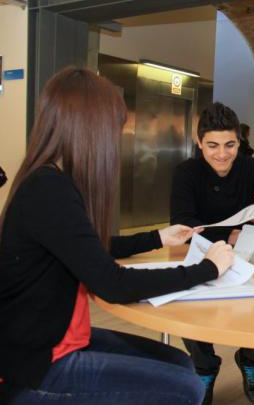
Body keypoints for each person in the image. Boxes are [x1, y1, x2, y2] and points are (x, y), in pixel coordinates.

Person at [0, 67, 235, 405]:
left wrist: (156, 237)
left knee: (182, 364)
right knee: (187, 389)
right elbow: (112, 283)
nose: (115, 138)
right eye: (113, 128)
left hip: (58, 338)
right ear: (90, 129)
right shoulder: (48, 189)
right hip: (35, 364)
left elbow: (89, 249)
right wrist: (208, 269)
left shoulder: (49, 180)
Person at [170, 102, 254, 405]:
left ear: (239, 141)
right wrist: (228, 236)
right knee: (189, 308)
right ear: (199, 142)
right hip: (202, 258)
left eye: (230, 145)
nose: (222, 153)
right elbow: (181, 224)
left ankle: (251, 359)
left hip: (251, 260)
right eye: (212, 145)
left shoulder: (253, 168)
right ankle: (204, 368)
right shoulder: (186, 173)